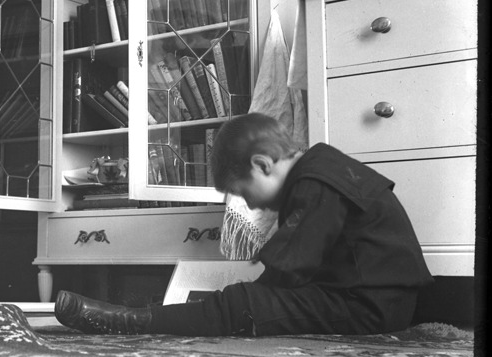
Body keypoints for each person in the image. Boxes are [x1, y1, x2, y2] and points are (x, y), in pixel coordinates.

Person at [55, 113, 433, 337]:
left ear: (262, 165)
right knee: (247, 300)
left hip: (372, 308)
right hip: (376, 297)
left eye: (243, 192)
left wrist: (246, 296)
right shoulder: (320, 168)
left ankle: (136, 321)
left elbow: (290, 268)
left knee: (245, 304)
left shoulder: (315, 181)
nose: (249, 204)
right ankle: (150, 316)